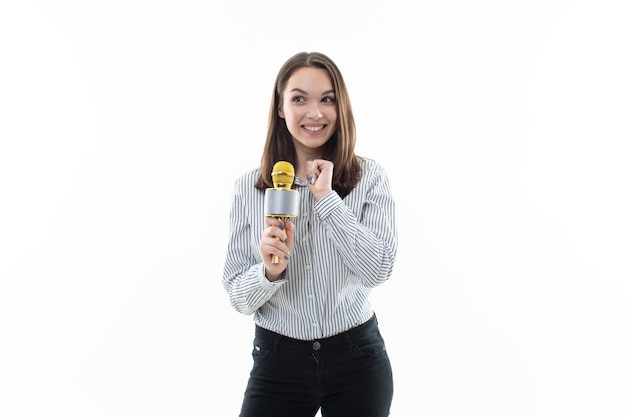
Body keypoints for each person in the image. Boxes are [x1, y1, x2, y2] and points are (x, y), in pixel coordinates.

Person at [222, 51, 398, 417]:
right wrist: (269, 272)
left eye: (327, 99)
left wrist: (326, 200)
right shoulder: (249, 188)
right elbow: (238, 297)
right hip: (278, 361)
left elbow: (379, 269)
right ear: (281, 107)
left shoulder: (370, 178)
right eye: (299, 98)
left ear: (341, 106)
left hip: (357, 359)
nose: (315, 113)